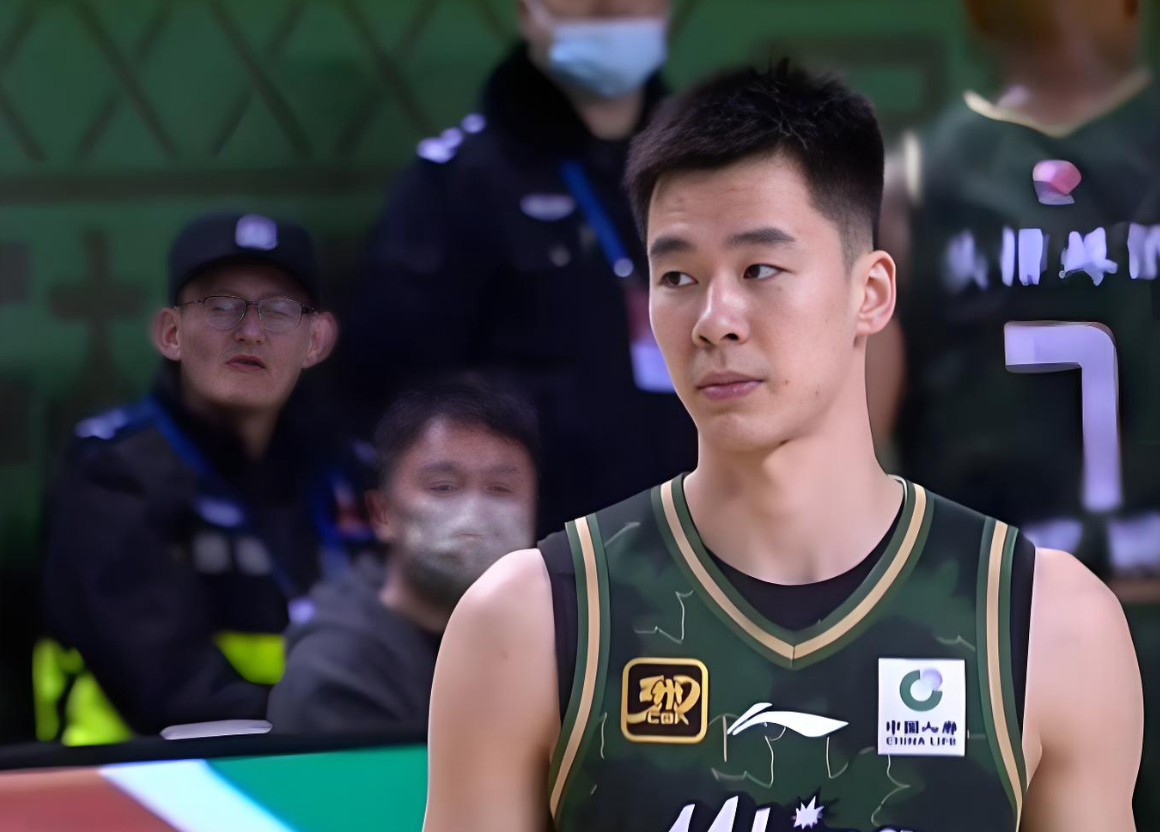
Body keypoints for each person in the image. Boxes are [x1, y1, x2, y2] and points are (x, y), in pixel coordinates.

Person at [423, 63, 1143, 832]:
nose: (714, 319)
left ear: (871, 293)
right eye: (677, 276)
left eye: (760, 268)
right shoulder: (528, 622)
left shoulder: (1044, 623)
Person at [339, 0, 695, 535]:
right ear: (529, 12)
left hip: (698, 535)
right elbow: (392, 388)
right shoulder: (457, 182)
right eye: (586, 7)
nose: (608, 9)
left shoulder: (704, 169)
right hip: (538, 550)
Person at [38, 212, 375, 745]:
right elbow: (171, 689)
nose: (250, 331)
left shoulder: (352, 471)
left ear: (316, 341)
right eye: (221, 307)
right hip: (134, 781)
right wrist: (343, 726)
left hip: (325, 771)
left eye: (279, 310)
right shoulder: (112, 475)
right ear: (171, 333)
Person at [871, 0, 1160, 579]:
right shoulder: (914, 183)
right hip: (996, 608)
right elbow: (854, 454)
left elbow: (851, 458)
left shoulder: (913, 181)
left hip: (1004, 598)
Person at [268, 379, 539, 734]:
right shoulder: (335, 672)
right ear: (382, 514)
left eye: (499, 489)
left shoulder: (569, 640)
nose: (474, 512)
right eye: (443, 487)